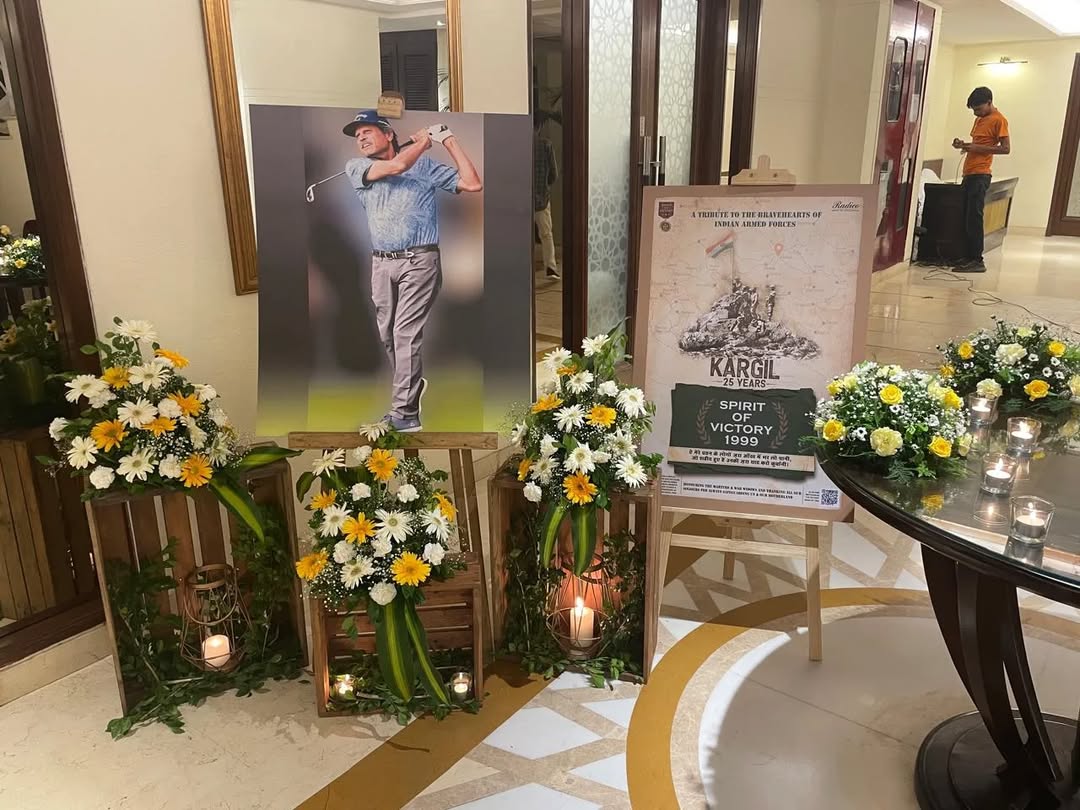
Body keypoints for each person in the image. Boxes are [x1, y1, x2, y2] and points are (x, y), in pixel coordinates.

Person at [343, 110, 482, 432]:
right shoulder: (357, 167)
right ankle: (412, 386)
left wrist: (448, 139)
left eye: (367, 131)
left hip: (420, 260)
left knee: (405, 333)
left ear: (388, 133)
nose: (361, 138)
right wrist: (421, 143)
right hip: (381, 264)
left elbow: (473, 184)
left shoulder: (425, 167)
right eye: (357, 135)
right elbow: (397, 166)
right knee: (388, 335)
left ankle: (404, 414)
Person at [951, 86, 1010, 273]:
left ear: (989, 102)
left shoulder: (999, 120)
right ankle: (967, 256)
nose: (976, 113)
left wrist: (976, 148)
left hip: (981, 174)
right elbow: (978, 144)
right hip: (969, 173)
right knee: (966, 217)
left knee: (974, 218)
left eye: (978, 108)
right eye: (974, 110)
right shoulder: (979, 120)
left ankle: (977, 260)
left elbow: (1005, 149)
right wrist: (964, 145)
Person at [533, 115, 560, 279]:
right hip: (542, 198)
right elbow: (554, 175)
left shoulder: (519, 144)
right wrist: (545, 185)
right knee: (546, 234)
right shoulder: (546, 145)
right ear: (540, 126)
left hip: (521, 199)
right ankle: (550, 267)